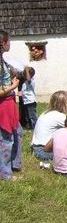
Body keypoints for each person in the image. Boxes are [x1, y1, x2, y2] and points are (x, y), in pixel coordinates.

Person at [0, 30, 22, 181]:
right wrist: (13, 87)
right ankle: (5, 174)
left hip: (9, 103)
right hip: (3, 105)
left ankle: (14, 165)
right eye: (8, 41)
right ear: (3, 43)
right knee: (5, 141)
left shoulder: (3, 62)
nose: (10, 43)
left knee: (16, 133)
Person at [31, 90, 67, 162]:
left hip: (35, 148)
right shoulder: (59, 116)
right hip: (43, 151)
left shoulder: (45, 113)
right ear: (64, 104)